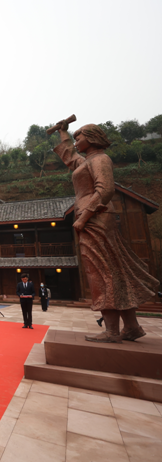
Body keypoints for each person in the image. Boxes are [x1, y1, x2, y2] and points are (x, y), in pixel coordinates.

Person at [54, 119, 159, 342]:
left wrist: (84, 217)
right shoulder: (87, 161)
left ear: (92, 138)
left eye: (79, 138)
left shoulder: (100, 159)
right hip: (93, 217)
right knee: (112, 269)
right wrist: (63, 132)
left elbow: (105, 189)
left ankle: (112, 330)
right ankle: (131, 327)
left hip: (95, 218)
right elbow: (71, 157)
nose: (76, 142)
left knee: (100, 271)